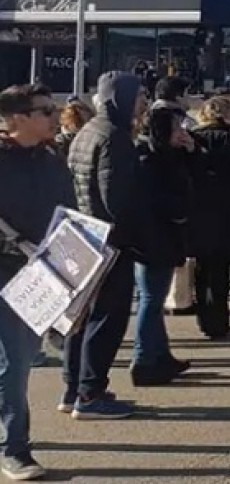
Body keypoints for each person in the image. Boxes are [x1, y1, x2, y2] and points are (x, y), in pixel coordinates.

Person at [0, 84, 76, 480]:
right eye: (45, 110)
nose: (54, 115)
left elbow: (69, 209)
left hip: (41, 274)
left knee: (22, 359)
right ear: (17, 119)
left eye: (54, 109)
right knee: (13, 363)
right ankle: (15, 449)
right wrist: (17, 241)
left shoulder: (51, 157)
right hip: (6, 268)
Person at [62, 72, 146, 419]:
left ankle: (74, 387)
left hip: (85, 232)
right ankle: (91, 392)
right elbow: (117, 198)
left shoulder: (88, 130)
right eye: (139, 95)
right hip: (110, 239)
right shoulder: (115, 137)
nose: (143, 101)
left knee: (82, 316)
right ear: (120, 98)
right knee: (106, 317)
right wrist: (135, 233)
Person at [126, 105, 194, 387]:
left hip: (159, 237)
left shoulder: (165, 156)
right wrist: (178, 211)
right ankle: (143, 359)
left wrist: (189, 153)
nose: (182, 133)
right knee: (151, 299)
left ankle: (160, 354)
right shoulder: (150, 160)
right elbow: (157, 199)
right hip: (154, 239)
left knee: (152, 298)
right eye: (176, 128)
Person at [188, 95, 230, 340]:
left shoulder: (194, 138)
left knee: (202, 266)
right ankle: (219, 319)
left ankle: (205, 318)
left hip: (199, 209)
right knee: (221, 268)